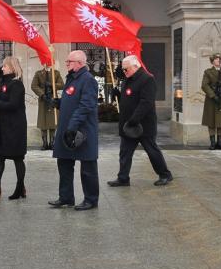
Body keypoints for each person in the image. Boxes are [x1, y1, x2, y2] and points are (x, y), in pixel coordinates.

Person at [107, 55, 173, 188]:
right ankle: (123, 178)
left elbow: (146, 102)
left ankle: (165, 174)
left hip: (143, 125)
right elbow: (128, 100)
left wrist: (134, 119)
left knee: (151, 150)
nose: (124, 72)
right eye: (123, 69)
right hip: (128, 124)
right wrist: (118, 95)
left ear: (136, 66)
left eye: (127, 69)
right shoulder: (127, 79)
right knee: (125, 152)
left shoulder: (147, 79)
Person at [48, 50, 99, 211]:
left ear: (80, 63)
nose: (67, 64)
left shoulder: (88, 80)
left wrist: (73, 126)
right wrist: (59, 102)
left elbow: (86, 105)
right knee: (63, 163)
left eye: (69, 61)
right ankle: (66, 197)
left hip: (81, 131)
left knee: (88, 168)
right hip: (67, 130)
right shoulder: (72, 78)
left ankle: (91, 200)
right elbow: (72, 98)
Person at [0, 56, 28, 200]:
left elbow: (13, 105)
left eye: (5, 66)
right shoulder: (4, 82)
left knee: (17, 158)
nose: (2, 68)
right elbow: (3, 98)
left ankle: (20, 187)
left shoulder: (17, 85)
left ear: (12, 67)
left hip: (15, 127)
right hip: (4, 126)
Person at [31, 65, 63, 150]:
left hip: (53, 99)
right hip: (43, 100)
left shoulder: (56, 73)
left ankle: (52, 143)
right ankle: (45, 143)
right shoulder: (38, 73)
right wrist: (42, 94)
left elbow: (62, 85)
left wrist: (52, 85)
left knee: (53, 122)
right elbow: (34, 86)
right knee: (43, 122)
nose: (47, 63)